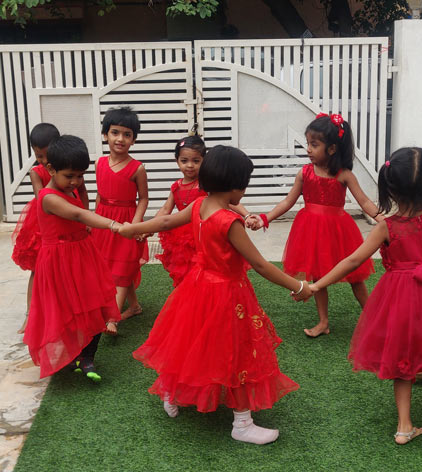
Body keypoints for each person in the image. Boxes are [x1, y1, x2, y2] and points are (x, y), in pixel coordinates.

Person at [297, 147, 422, 444]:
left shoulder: (386, 227)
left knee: (403, 361)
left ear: (390, 187)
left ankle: (404, 426)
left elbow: (352, 260)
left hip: (402, 298)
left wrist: (316, 285)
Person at [119, 145, 312, 445]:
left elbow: (166, 222)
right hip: (226, 294)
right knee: (237, 352)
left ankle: (171, 393)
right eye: (244, 186)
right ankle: (242, 423)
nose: (244, 192)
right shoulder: (228, 221)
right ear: (235, 186)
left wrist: (133, 229)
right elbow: (260, 264)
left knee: (191, 343)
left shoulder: (199, 205)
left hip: (196, 287)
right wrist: (298, 286)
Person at [247, 113, 383, 338]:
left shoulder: (344, 175)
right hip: (311, 231)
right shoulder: (305, 173)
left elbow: (365, 202)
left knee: (355, 276)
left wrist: (384, 221)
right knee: (318, 276)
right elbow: (287, 202)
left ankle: (373, 317)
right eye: (308, 143)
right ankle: (323, 322)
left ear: (332, 149)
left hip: (338, 232)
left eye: (314, 144)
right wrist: (265, 218)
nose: (308, 149)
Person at [24, 135, 126, 381]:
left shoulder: (71, 188)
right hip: (59, 261)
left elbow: (81, 206)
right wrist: (115, 225)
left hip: (82, 254)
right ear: (51, 169)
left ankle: (86, 356)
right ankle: (70, 355)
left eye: (80, 176)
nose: (75, 182)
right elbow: (78, 215)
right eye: (69, 176)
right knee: (65, 310)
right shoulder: (48, 197)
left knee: (96, 303)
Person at [12, 123, 86, 334]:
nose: (44, 161)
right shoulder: (37, 172)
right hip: (45, 224)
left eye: (47, 155)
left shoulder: (70, 170)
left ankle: (69, 311)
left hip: (71, 220)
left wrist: (84, 219)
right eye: (39, 156)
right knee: (38, 270)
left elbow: (82, 194)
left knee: (71, 269)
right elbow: (42, 198)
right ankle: (31, 315)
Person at [154, 136, 249, 286]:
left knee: (205, 269)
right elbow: (166, 209)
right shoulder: (176, 186)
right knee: (183, 271)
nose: (190, 165)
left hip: (202, 232)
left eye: (196, 161)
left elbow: (229, 201)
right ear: (177, 161)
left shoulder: (207, 185)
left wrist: (247, 215)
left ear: (204, 161)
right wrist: (149, 228)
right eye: (184, 161)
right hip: (181, 238)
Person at [91, 107, 149, 334]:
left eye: (127, 134)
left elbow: (143, 198)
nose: (120, 139)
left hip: (126, 223)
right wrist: (93, 220)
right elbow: (99, 194)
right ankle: (133, 306)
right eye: (115, 132)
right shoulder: (99, 164)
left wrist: (135, 224)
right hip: (104, 223)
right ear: (105, 134)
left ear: (134, 140)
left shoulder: (137, 168)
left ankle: (112, 319)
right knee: (110, 267)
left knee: (123, 268)